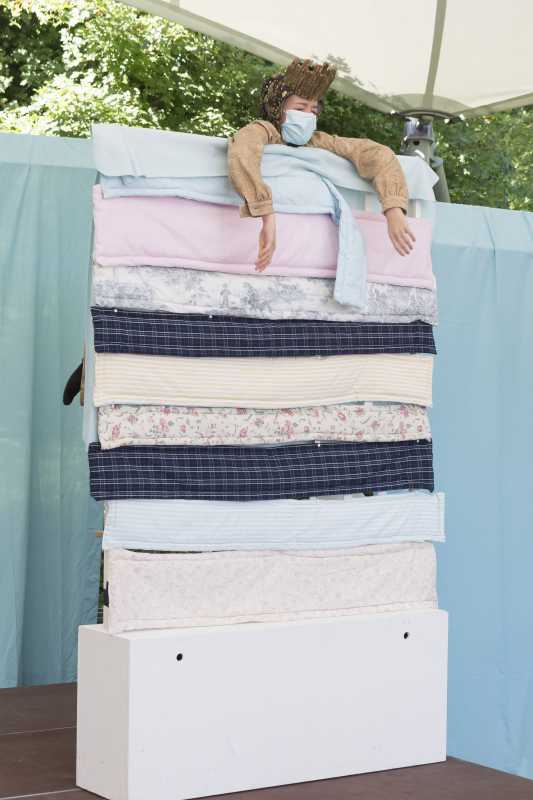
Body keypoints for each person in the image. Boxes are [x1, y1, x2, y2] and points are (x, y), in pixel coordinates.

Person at [228, 58, 415, 271]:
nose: (308, 115)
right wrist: (266, 214)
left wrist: (393, 208)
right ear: (277, 109)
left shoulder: (317, 141)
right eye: (300, 108)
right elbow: (243, 149)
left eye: (314, 110)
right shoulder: (263, 131)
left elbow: (375, 153)